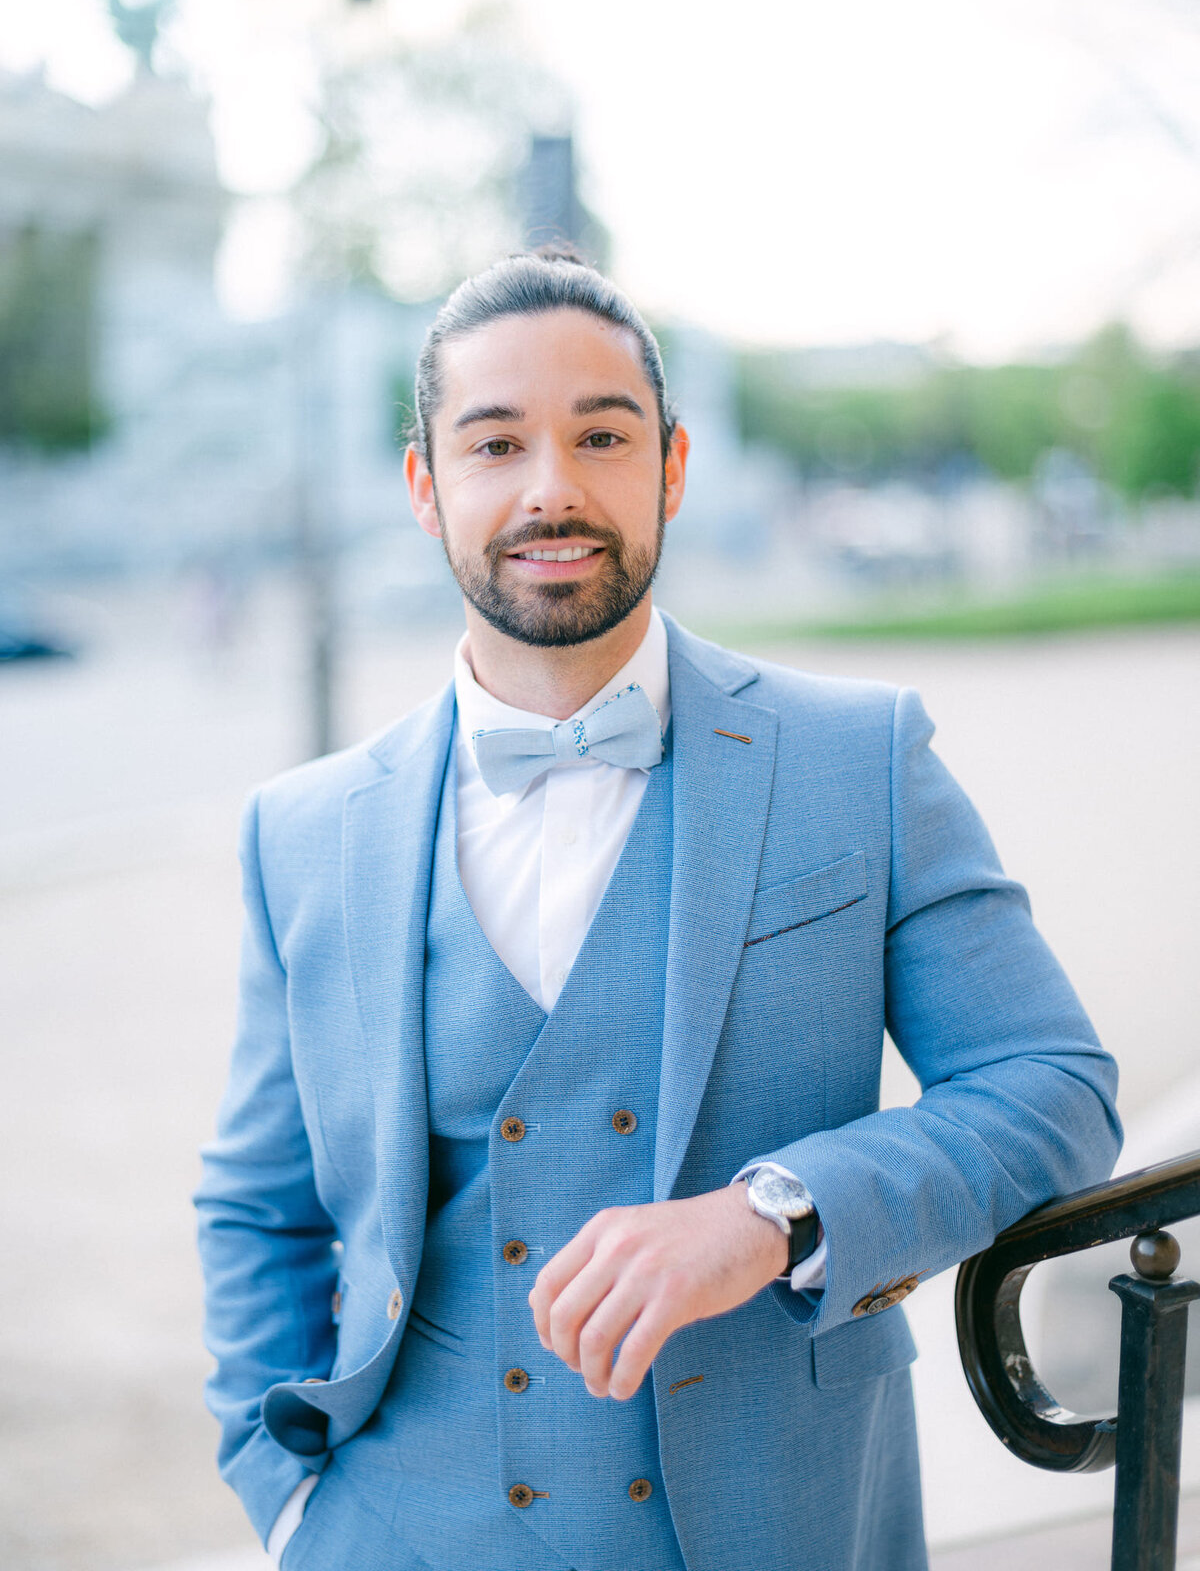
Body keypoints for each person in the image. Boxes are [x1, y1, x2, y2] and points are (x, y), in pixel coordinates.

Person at [194, 249, 1122, 1571]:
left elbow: (1054, 1088)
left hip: (775, 1527)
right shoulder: (298, 832)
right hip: (390, 1534)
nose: (552, 487)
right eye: (496, 442)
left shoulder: (859, 760)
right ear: (426, 487)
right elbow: (257, 1204)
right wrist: (284, 1500)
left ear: (673, 467)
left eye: (601, 435)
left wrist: (776, 1216)